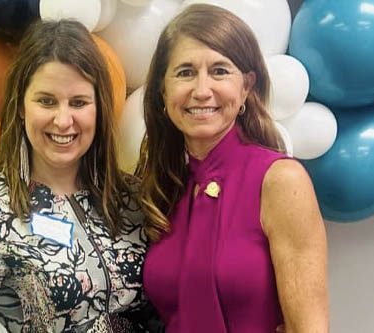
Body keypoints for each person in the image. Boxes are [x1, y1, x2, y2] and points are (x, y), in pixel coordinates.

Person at [0, 19, 158, 332]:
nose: (63, 120)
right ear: (21, 105)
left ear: (98, 108)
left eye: (78, 102)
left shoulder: (133, 199)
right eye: (46, 101)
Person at [136, 4, 328, 333]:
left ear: (246, 88)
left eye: (220, 71)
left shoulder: (280, 181)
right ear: (162, 91)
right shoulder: (164, 189)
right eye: (184, 72)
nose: (201, 90)